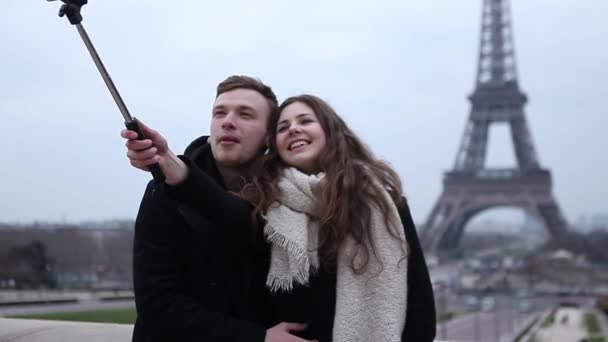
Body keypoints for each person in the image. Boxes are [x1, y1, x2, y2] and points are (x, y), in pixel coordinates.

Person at [125, 93, 436, 341]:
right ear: (274, 145)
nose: (294, 129)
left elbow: (419, 306)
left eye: (305, 120)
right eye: (284, 127)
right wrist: (174, 168)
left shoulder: (383, 202)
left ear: (332, 131)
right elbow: (223, 210)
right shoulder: (271, 205)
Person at [125, 75, 315, 342]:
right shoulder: (163, 192)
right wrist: (255, 338)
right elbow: (158, 305)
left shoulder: (292, 195)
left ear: (269, 137)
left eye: (245, 114)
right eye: (219, 113)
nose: (227, 121)